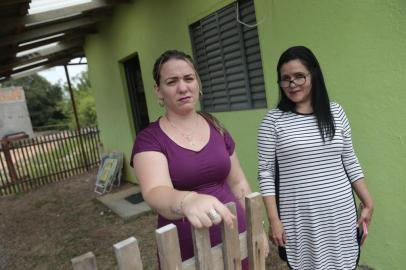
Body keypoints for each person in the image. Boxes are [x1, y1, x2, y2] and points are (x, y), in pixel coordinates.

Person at [130, 49, 264, 268]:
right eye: (172, 82)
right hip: (186, 244)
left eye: (188, 79)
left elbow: (238, 183)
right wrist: (188, 200)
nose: (183, 87)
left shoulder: (216, 127)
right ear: (159, 91)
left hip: (235, 233)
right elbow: (155, 191)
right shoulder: (149, 139)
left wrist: (256, 227)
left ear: (198, 84)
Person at [257, 46, 374, 270]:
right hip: (300, 216)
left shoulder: (336, 112)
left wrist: (368, 202)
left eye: (299, 76)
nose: (292, 84)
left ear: (314, 74)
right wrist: (274, 220)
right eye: (285, 79)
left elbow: (350, 160)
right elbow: (266, 173)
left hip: (340, 211)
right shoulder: (273, 121)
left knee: (343, 264)